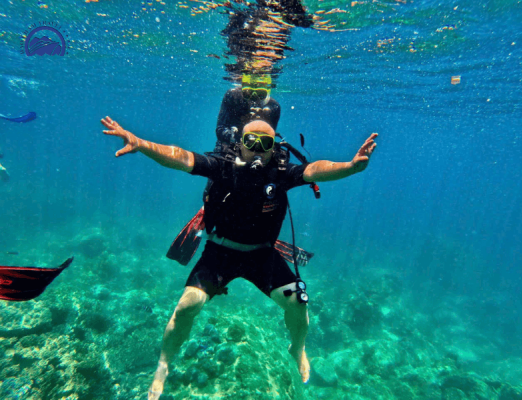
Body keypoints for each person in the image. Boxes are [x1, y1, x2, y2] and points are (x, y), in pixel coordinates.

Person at [100, 116, 378, 400]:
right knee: (185, 307)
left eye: (265, 143)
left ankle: (298, 347)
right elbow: (181, 158)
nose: (257, 149)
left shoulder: (280, 172)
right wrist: (142, 144)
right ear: (239, 144)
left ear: (274, 147)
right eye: (250, 141)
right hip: (220, 252)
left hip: (262, 255)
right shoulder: (222, 166)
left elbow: (314, 169)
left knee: (299, 304)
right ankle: (163, 365)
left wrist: (351, 167)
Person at [214, 73, 280, 153]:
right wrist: (239, 138)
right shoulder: (233, 96)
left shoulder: (273, 107)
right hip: (229, 149)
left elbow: (270, 138)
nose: (254, 98)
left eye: (261, 94)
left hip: (257, 150)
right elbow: (220, 130)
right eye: (248, 93)